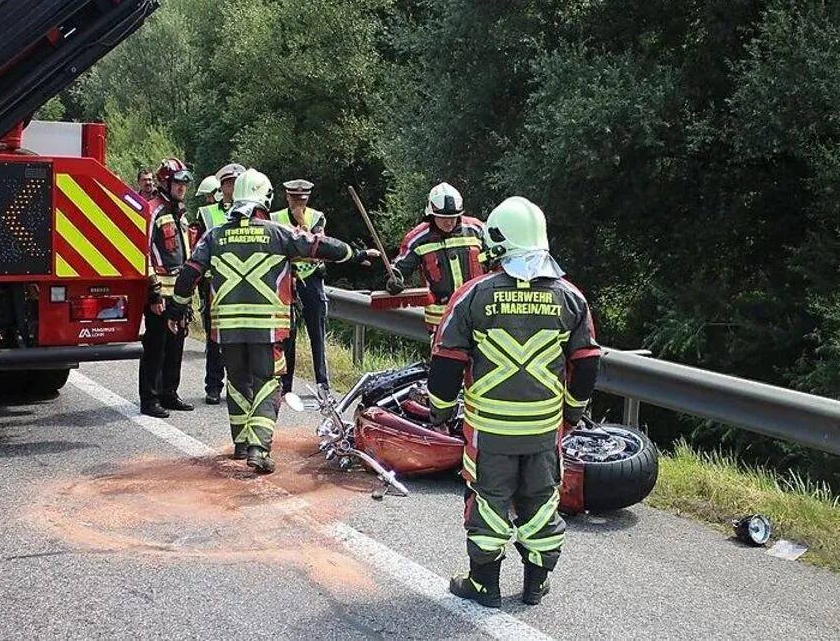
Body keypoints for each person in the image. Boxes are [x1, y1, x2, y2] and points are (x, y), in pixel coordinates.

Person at [426, 196, 601, 607]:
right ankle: (535, 583)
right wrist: (571, 415)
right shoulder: (571, 298)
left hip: (490, 431)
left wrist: (440, 413)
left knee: (488, 500)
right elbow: (588, 364)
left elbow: (446, 365)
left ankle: (484, 585)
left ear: (498, 242)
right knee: (541, 502)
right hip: (544, 430)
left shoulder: (472, 296)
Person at [166, 168, 380, 472]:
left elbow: (188, 275)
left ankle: (241, 443)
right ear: (264, 199)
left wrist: (177, 310)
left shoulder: (214, 236)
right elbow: (320, 246)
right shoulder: (277, 233)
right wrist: (356, 255)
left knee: (238, 383)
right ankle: (259, 448)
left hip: (226, 328)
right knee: (269, 383)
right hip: (266, 327)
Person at [386, 182, 485, 339]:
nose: (449, 222)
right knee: (446, 363)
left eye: (453, 217)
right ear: (431, 215)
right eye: (443, 218)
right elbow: (398, 270)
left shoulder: (476, 230)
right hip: (440, 321)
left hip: (478, 314)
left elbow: (496, 263)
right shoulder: (418, 239)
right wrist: (393, 281)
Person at [138, 157, 196, 418]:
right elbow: (142, 251)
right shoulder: (153, 211)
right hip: (160, 292)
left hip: (179, 293)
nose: (182, 187)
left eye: (185, 183)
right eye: (178, 182)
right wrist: (153, 290)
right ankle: (150, 400)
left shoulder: (179, 213)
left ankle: (169, 393)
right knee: (156, 346)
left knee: (175, 345)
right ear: (165, 182)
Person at [271, 179, 331, 397]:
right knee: (287, 334)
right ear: (287, 197)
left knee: (317, 332)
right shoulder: (275, 218)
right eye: (295, 199)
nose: (298, 203)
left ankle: (322, 383)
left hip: (312, 280)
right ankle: (285, 385)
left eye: (302, 200)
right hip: (287, 280)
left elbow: (314, 246)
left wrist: (300, 222)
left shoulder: (316, 217)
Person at [188, 172, 229, 404]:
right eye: (227, 183)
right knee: (215, 338)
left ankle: (238, 387)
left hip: (244, 285)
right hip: (214, 284)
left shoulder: (252, 211)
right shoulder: (206, 214)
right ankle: (213, 386)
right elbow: (198, 250)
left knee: (239, 338)